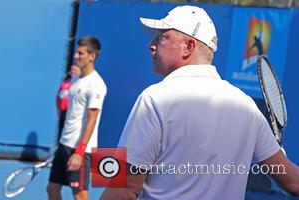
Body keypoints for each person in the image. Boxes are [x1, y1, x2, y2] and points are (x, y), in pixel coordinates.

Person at [100, 5, 299, 200]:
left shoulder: (155, 98)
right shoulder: (247, 106)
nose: (151, 44)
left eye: (162, 36)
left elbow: (123, 190)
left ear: (188, 46)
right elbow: (294, 183)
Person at [47, 36, 107, 200]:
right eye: (76, 53)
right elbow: (61, 103)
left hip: (81, 149)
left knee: (80, 195)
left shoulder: (96, 84)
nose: (76, 56)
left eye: (80, 53)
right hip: (64, 144)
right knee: (52, 189)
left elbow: (92, 119)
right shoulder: (75, 78)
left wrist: (79, 152)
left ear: (92, 56)